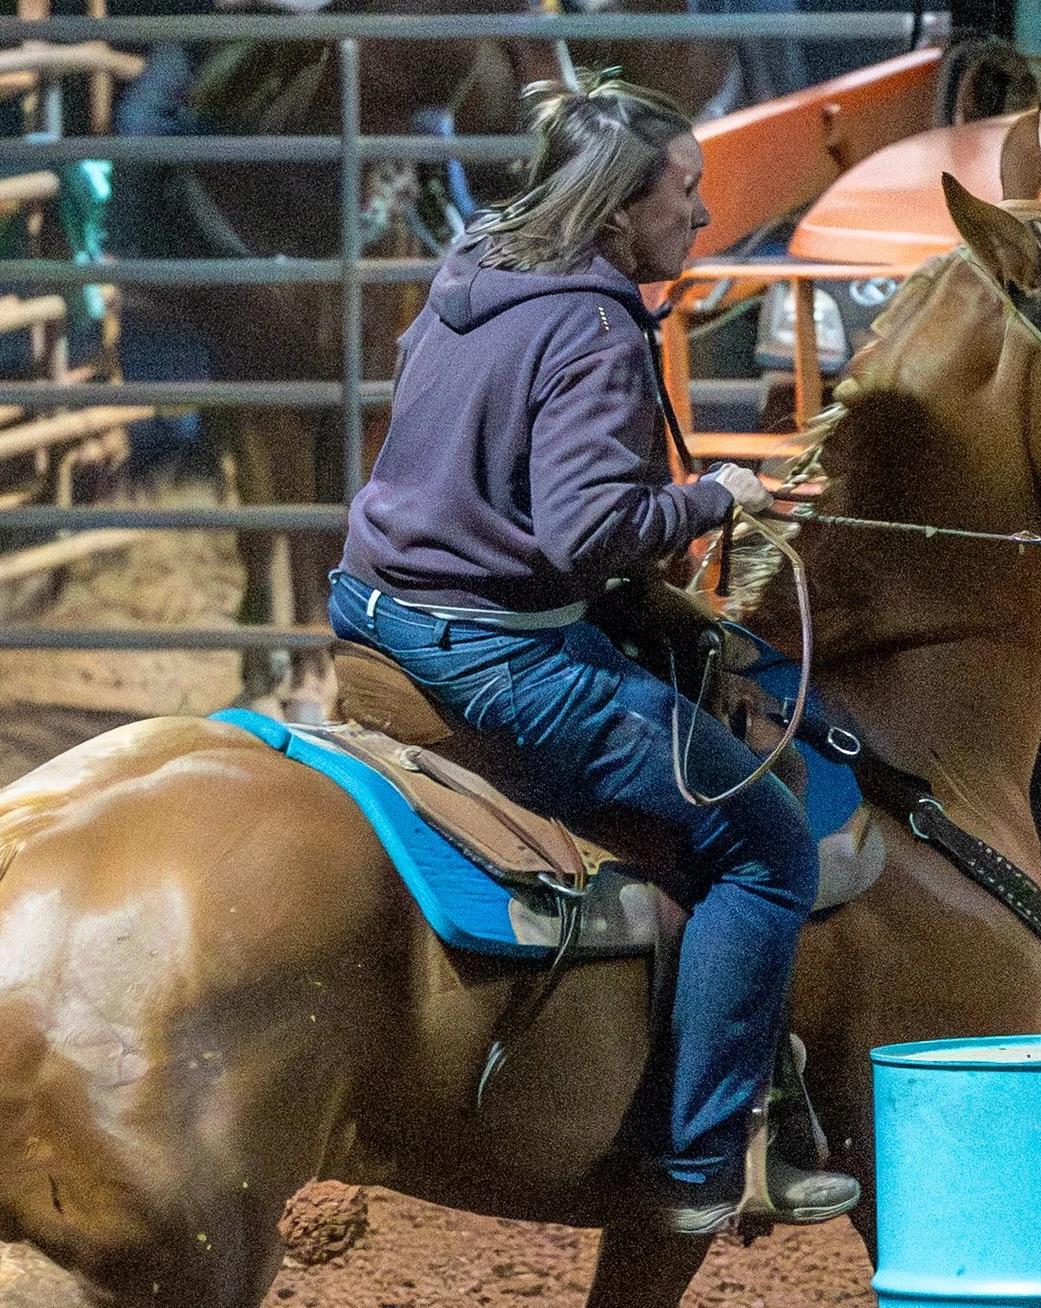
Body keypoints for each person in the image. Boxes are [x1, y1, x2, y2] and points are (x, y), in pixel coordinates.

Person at [330, 74, 859, 1233]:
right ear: (621, 207)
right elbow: (583, 533)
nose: (701, 218)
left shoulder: (481, 269)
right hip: (493, 651)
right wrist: (713, 497)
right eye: (685, 192)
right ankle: (700, 1167)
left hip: (381, 609)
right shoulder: (593, 325)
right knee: (767, 847)